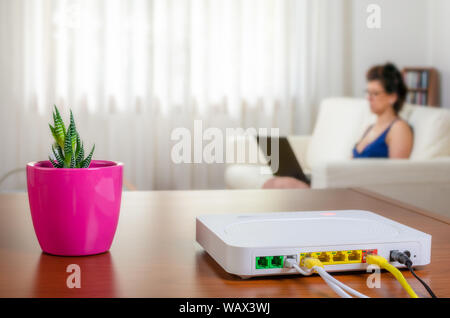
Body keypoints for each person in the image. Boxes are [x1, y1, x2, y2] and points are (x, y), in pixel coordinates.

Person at [263, 62, 414, 189]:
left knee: (277, 184)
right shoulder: (371, 127)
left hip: (361, 191)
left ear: (392, 97)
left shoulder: (398, 128)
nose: (369, 98)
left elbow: (397, 177)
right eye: (367, 93)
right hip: (344, 185)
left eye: (375, 94)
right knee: (273, 182)